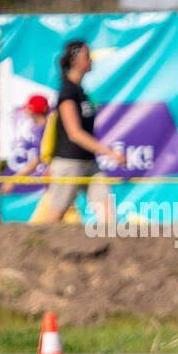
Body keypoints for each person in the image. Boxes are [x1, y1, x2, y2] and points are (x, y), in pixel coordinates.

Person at [35, 39, 126, 224]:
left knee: (108, 218)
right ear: (76, 61)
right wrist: (110, 153)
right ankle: (36, 250)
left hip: (89, 163)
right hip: (69, 164)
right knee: (53, 219)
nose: (91, 60)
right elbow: (74, 133)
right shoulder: (68, 92)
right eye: (87, 56)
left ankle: (109, 250)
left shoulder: (81, 91)